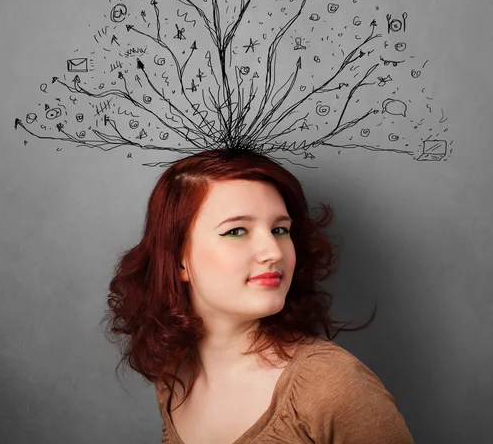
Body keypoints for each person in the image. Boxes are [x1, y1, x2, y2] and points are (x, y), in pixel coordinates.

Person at [103, 148, 414, 443]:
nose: (273, 251)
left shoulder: (333, 385)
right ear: (177, 260)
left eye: (280, 229)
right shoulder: (174, 377)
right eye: (237, 231)